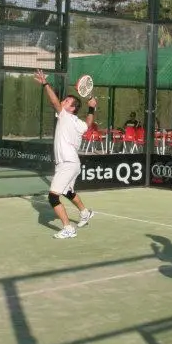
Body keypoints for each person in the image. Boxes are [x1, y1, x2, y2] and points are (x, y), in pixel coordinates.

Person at [34, 70, 96, 239]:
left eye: (66, 101)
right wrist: (92, 108)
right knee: (68, 192)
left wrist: (46, 84)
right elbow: (89, 125)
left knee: (53, 197)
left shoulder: (65, 115)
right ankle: (85, 213)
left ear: (72, 108)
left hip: (67, 163)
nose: (62, 102)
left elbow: (53, 101)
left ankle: (68, 228)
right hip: (73, 163)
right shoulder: (78, 122)